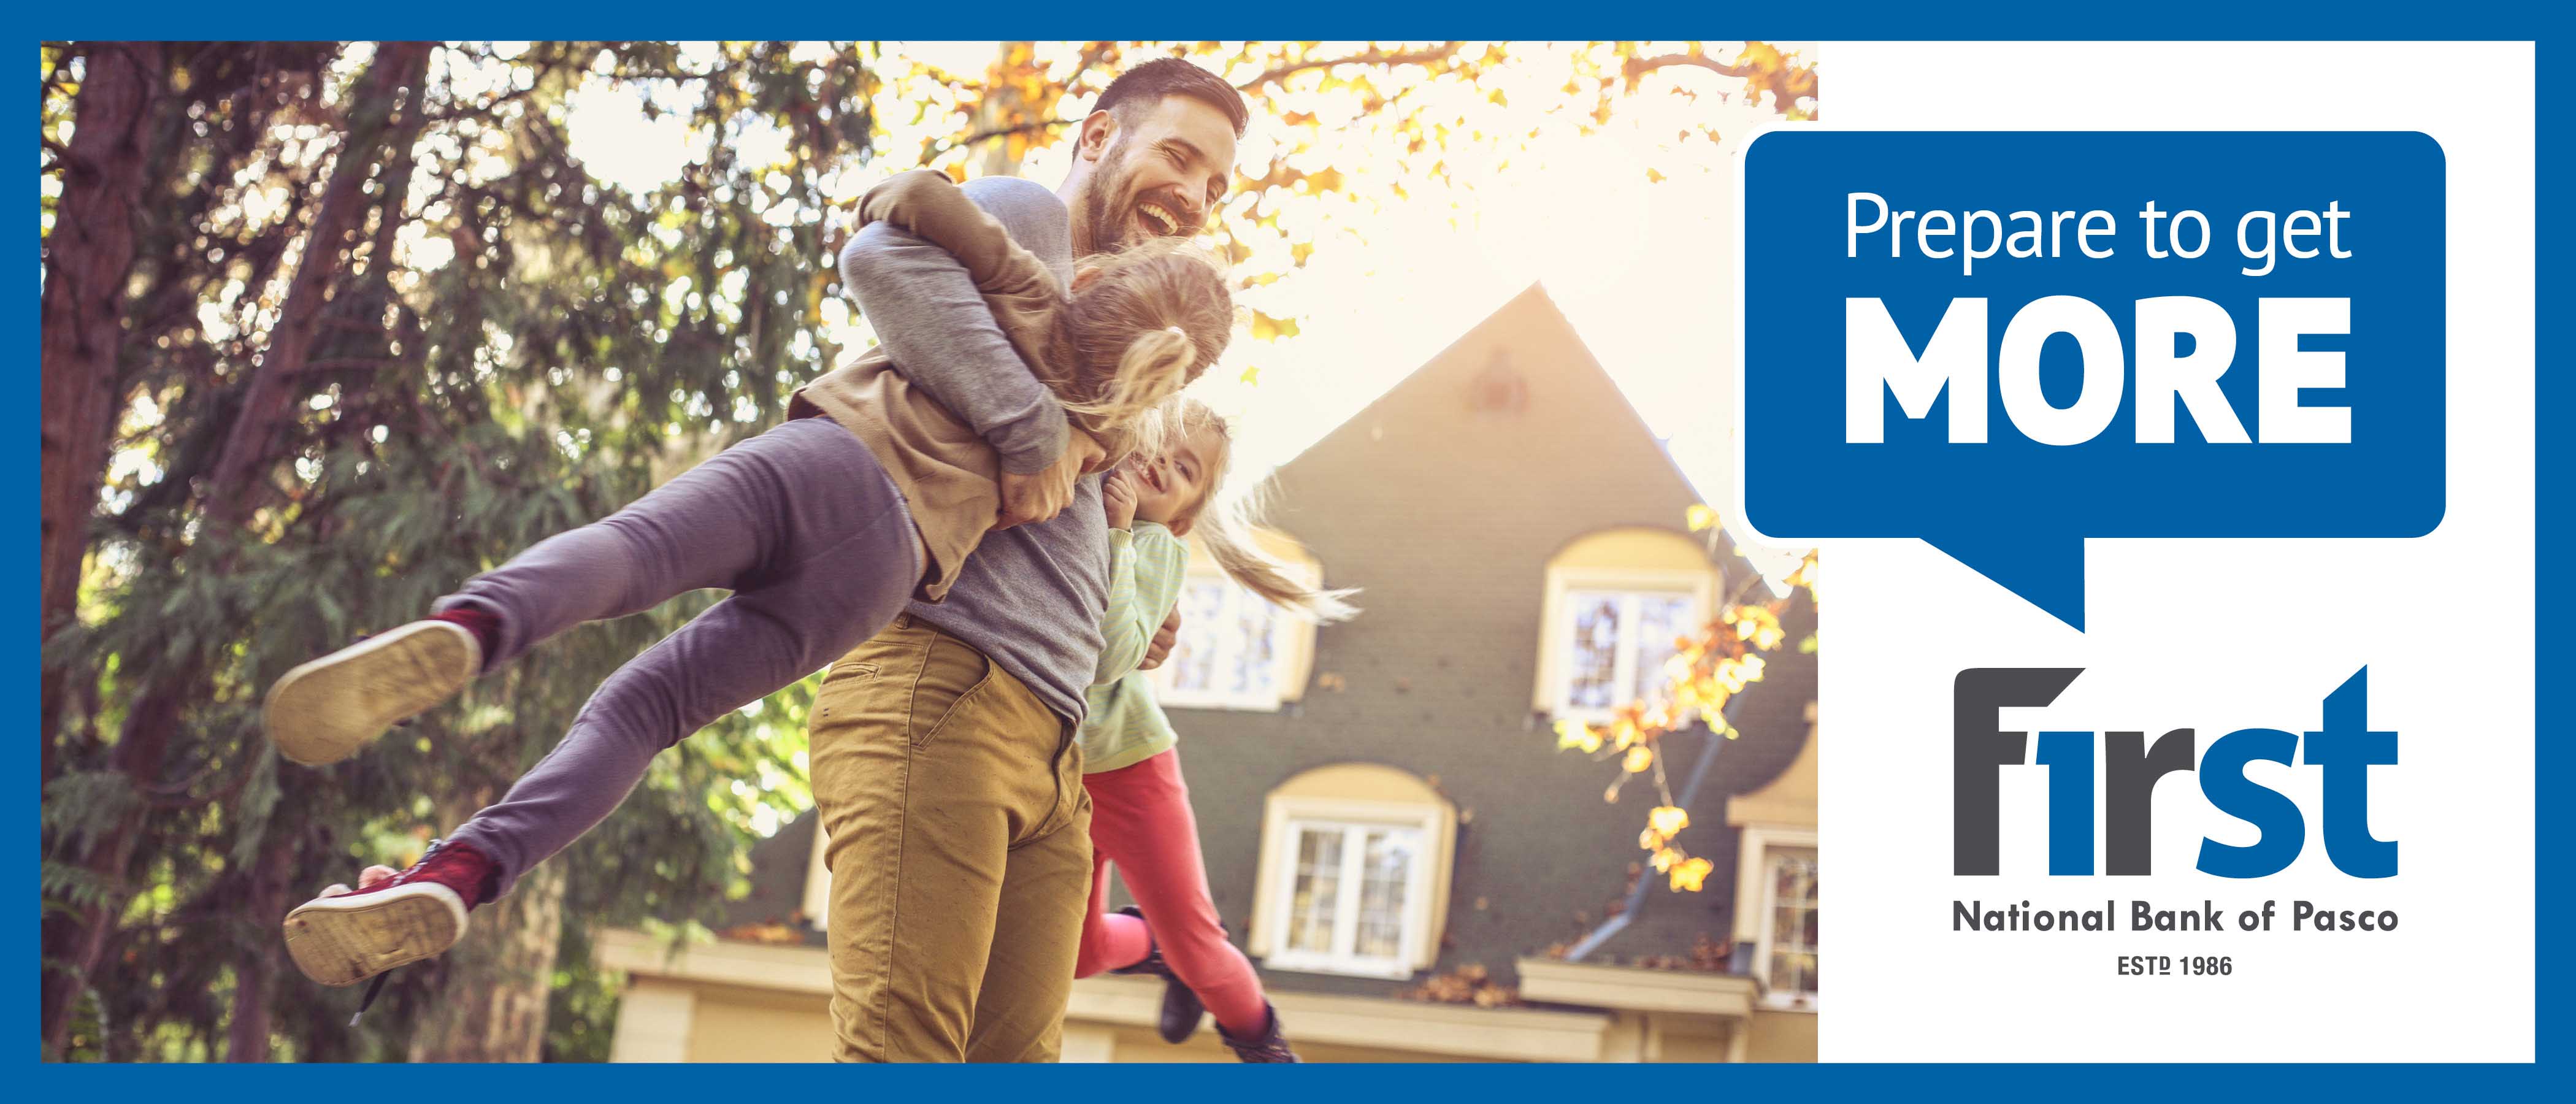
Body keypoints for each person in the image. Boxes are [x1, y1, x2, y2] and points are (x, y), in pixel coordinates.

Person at [266, 128, 1234, 992]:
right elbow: (1110, 540)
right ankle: (462, 874)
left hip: (840, 467)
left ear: (1098, 283)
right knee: (647, 712)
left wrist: (931, 199)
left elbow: (901, 208)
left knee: (634, 552)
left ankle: (470, 627)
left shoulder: (1032, 279)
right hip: (881, 577)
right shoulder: (1101, 437)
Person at [802, 58, 1254, 1062]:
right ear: (1097, 140)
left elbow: (1066, 509)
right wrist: (1029, 430)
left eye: (1216, 187)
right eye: (1177, 156)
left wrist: (1125, 602)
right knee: (904, 1055)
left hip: (1059, 750)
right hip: (946, 684)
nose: (1194, 196)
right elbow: (879, 253)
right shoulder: (1028, 224)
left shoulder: (1126, 331)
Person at [1074, 399, 1354, 1063]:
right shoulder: (1084, 500)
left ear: (1185, 515)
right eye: (1157, 442)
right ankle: (1150, 944)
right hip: (1062, 776)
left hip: (1132, 767)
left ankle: (1263, 1043)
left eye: (1185, 465)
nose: (1162, 461)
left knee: (1200, 948)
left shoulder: (1154, 547)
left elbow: (1111, 650)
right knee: (1077, 956)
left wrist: (1117, 533)